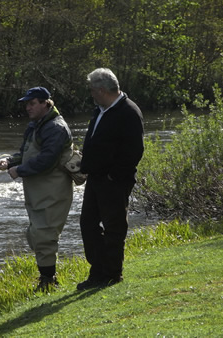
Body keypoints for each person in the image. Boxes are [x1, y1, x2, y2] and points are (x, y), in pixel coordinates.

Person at [0, 86, 74, 291]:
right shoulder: (35, 125)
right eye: (26, 104)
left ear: (45, 103)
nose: (27, 108)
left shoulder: (56, 128)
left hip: (54, 190)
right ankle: (47, 278)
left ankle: (48, 282)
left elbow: (46, 161)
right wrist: (9, 161)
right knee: (36, 235)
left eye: (32, 104)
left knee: (44, 234)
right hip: (37, 191)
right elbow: (25, 153)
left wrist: (19, 170)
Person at [77, 68, 144, 290]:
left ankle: (112, 274)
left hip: (114, 180)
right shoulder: (100, 110)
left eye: (92, 91)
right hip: (96, 178)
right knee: (88, 223)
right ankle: (98, 271)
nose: (91, 95)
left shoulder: (128, 112)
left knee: (114, 227)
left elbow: (135, 150)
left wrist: (113, 175)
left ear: (102, 90)